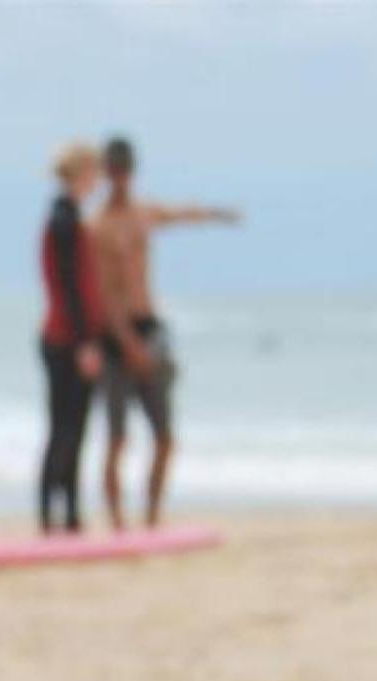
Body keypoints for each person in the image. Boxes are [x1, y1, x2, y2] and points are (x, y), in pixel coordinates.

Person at [92, 135, 242, 528]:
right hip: (115, 335)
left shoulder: (143, 215)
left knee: (164, 437)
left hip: (149, 327)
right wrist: (126, 344)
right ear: (107, 173)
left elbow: (180, 214)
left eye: (126, 169)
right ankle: (118, 522)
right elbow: (104, 297)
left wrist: (218, 214)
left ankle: (152, 517)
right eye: (115, 170)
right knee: (118, 438)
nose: (121, 177)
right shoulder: (98, 228)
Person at [37, 141, 107, 534]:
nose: (97, 180)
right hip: (66, 339)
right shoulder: (64, 221)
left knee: (72, 430)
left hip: (67, 336)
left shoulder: (68, 217)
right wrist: (86, 343)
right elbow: (69, 288)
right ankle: (54, 516)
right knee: (65, 430)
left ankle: (68, 515)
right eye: (93, 172)